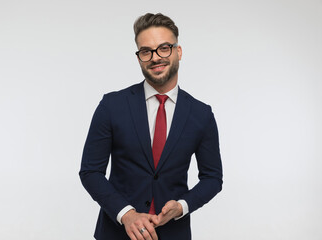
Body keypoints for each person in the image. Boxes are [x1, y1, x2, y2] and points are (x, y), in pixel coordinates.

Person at [79, 13, 223, 240]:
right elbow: (90, 171)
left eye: (164, 48)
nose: (155, 57)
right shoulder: (112, 105)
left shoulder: (201, 114)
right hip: (116, 233)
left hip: (173, 233)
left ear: (178, 51)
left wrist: (182, 206)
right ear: (139, 58)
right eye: (146, 51)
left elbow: (213, 178)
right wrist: (127, 214)